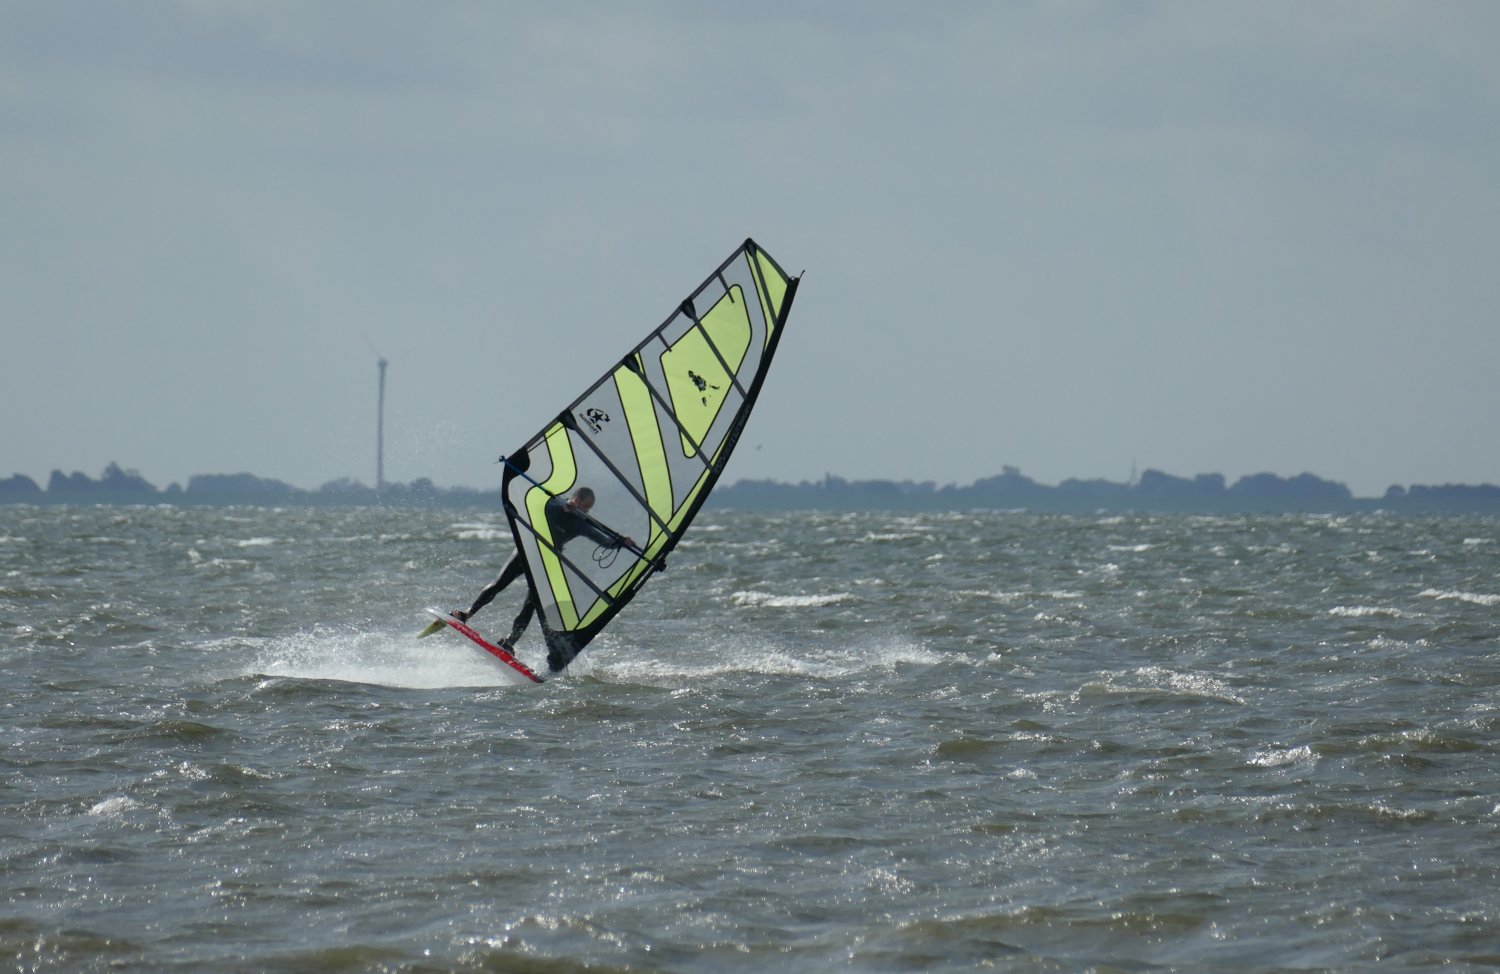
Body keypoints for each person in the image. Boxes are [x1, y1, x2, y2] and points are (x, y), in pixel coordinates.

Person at [453, 487, 636, 650]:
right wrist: (562, 508)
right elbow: (538, 505)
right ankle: (467, 614)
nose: (586, 511)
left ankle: (509, 642)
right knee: (499, 584)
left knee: (530, 605)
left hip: (546, 562)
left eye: (589, 508)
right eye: (585, 506)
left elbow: (603, 541)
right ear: (576, 499)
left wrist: (621, 542)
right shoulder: (554, 504)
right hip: (527, 551)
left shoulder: (580, 523)